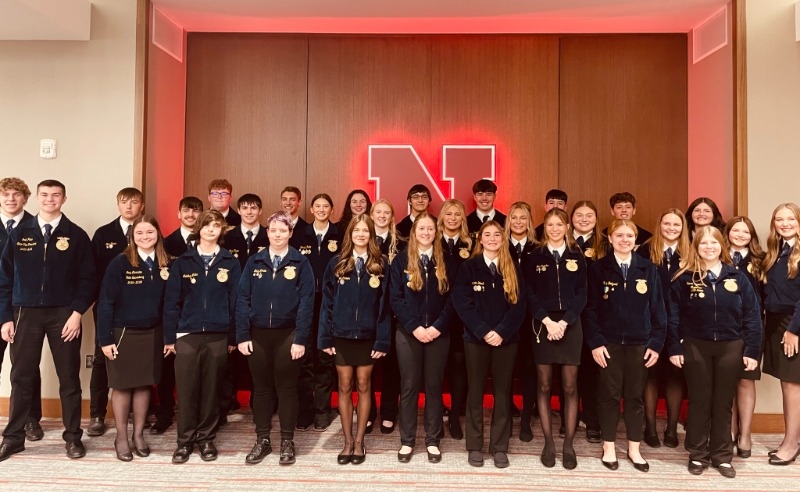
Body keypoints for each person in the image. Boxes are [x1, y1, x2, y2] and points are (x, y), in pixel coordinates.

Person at [0, 179, 96, 462]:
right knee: (21, 377)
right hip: (24, 313)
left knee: (69, 378)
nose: (49, 199)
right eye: (44, 195)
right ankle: (13, 438)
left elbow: (88, 279)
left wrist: (77, 314)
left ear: (64, 199)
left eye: (55, 195)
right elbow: (5, 279)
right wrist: (6, 318)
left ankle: (73, 437)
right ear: (37, 198)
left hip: (63, 315)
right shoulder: (20, 233)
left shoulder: (76, 235)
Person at [666, 226, 761, 478]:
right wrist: (674, 346)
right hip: (695, 345)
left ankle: (722, 456)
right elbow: (672, 316)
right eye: (704, 243)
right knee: (699, 400)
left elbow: (752, 316)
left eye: (714, 243)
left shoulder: (738, 277)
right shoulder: (684, 278)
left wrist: (752, 350)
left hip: (731, 347)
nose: (709, 247)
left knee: (723, 402)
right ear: (696, 247)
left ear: (722, 246)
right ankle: (697, 454)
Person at [585, 219, 666, 473]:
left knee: (635, 397)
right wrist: (596, 342)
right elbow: (590, 310)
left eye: (629, 236)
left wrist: (656, 343)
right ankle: (608, 446)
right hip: (608, 344)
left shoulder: (648, 268)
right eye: (619, 235)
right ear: (610, 239)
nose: (624, 240)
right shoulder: (598, 268)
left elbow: (658, 309)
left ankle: (634, 448)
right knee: (608, 396)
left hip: (639, 344)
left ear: (635, 240)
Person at [235, 211, 314, 466]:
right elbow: (242, 299)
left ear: (290, 233)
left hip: (288, 335)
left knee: (287, 388)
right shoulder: (254, 262)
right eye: (273, 231)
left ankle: (287, 441)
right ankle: (263, 440)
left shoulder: (300, 262)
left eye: (283, 231)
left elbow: (306, 303)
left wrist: (300, 338)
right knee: (261, 389)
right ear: (267, 233)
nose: (278, 235)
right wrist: (242, 334)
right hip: (257, 335)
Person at [163, 210, 242, 464]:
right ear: (199, 228)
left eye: (216, 225)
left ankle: (207, 438)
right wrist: (169, 337)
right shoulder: (183, 262)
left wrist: (233, 336)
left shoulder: (230, 262)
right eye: (207, 225)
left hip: (219, 334)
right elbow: (171, 303)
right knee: (186, 390)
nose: (211, 229)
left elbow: (236, 303)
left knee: (211, 390)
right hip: (187, 333)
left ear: (222, 230)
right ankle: (184, 441)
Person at [452, 220, 525, 469]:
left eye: (497, 235)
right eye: (488, 235)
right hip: (476, 339)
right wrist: (483, 331)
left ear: (503, 239)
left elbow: (520, 306)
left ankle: (499, 447)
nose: (492, 239)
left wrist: (501, 331)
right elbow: (462, 303)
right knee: (475, 392)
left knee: (503, 393)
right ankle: (475, 446)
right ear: (480, 239)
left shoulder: (512, 267)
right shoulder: (469, 267)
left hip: (506, 340)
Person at [318, 214, 390, 466]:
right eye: (356, 230)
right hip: (341, 335)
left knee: (364, 384)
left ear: (371, 235)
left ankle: (359, 442)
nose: (361, 234)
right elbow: (327, 303)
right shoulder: (337, 262)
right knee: (345, 385)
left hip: (369, 336)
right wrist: (325, 337)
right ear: (350, 234)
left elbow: (385, 306)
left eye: (365, 231)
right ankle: (347, 441)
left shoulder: (381, 264)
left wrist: (382, 339)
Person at [97, 215, 169, 461]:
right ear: (132, 236)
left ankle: (138, 434)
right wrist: (105, 339)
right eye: (139, 233)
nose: (145, 237)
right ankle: (121, 436)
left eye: (149, 232)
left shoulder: (166, 263)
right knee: (122, 385)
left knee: (144, 384)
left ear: (157, 234)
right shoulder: (119, 263)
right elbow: (105, 302)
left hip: (153, 333)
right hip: (123, 333)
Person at [524, 208, 587, 469]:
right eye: (549, 225)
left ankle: (568, 445)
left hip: (570, 324)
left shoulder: (577, 256)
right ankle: (549, 444)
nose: (554, 229)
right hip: (543, 325)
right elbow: (528, 292)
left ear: (567, 227)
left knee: (570, 386)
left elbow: (583, 293)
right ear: (544, 228)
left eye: (559, 224)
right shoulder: (534, 256)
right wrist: (548, 321)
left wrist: (564, 322)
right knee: (544, 385)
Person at [391, 213, 454, 463]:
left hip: (439, 333)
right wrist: (414, 327)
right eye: (422, 229)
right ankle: (407, 441)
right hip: (409, 334)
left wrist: (438, 326)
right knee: (408, 387)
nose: (426, 233)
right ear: (414, 232)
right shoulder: (401, 260)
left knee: (434, 387)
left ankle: (432, 440)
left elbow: (453, 299)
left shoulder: (446, 260)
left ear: (436, 232)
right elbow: (395, 298)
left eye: (430, 229)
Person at [88, 187, 145, 438]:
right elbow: (92, 272)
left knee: (135, 360)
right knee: (102, 359)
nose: (129, 206)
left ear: (142, 205)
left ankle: (135, 413)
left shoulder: (148, 231)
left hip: (139, 311)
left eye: (134, 202)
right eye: (124, 202)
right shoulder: (104, 234)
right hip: (107, 307)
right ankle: (97, 414)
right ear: (118, 204)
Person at [636, 208, 691, 449]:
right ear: (659, 225)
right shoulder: (645, 250)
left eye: (676, 224)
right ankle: (649, 426)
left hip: (681, 323)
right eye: (667, 223)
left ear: (683, 228)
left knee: (675, 374)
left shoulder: (691, 252)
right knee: (650, 373)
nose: (671, 228)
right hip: (650, 322)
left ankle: (671, 427)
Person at [154, 195, 203, 434]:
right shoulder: (165, 244)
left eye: (195, 211)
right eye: (186, 210)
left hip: (200, 314)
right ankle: (165, 412)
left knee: (200, 368)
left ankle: (201, 415)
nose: (190, 215)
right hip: (172, 313)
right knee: (167, 367)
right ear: (178, 214)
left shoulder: (209, 241)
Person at [0, 177, 44, 442]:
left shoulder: (36, 226)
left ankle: (30, 418)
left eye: (16, 194)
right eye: (5, 194)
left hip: (23, 308)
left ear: (26, 198)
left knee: (26, 366)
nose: (11, 199)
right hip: (0, 304)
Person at [293, 193, 340, 431]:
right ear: (311, 209)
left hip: (330, 303)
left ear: (332, 210)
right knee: (304, 357)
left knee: (325, 357)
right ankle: (304, 411)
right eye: (317, 206)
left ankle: (322, 410)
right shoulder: (299, 235)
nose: (321, 209)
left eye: (326, 206)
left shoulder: (340, 234)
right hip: (305, 303)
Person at [760, 203, 800, 465]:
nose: (785, 224)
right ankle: (793, 438)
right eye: (779, 219)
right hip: (774, 322)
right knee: (788, 383)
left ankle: (791, 444)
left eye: (791, 219)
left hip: (793, 322)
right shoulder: (775, 252)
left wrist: (794, 330)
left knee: (792, 385)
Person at [724, 216, 765, 458]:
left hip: (751, 328)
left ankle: (745, 434)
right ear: (727, 233)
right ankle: (729, 432)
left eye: (745, 232)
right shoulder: (717, 256)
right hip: (723, 329)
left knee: (746, 380)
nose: (740, 235)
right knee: (726, 381)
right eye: (736, 230)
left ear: (751, 236)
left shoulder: (761, 261)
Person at [368, 198, 403, 434]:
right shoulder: (362, 238)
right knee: (367, 366)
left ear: (392, 217)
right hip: (368, 312)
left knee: (392, 366)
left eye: (386, 213)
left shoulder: (401, 244)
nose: (382, 216)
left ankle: (389, 412)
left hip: (393, 312)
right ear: (371, 215)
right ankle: (369, 412)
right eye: (378, 212)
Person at [438, 199, 472, 440]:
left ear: (463, 219)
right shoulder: (433, 241)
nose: (452, 218)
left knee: (460, 366)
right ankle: (438, 412)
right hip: (438, 314)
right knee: (437, 367)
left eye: (457, 214)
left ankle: (455, 416)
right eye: (448, 214)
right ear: (442, 217)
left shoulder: (471, 244)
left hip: (462, 316)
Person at [569, 200, 602, 442]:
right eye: (579, 215)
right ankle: (568, 419)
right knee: (568, 370)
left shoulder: (604, 244)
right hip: (567, 316)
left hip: (594, 315)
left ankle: (592, 421)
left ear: (596, 219)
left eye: (588, 215)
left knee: (592, 372)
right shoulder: (561, 241)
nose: (583, 219)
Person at [505, 201, 537, 442]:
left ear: (529, 222)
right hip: (504, 319)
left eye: (523, 218)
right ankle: (506, 413)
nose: (518, 222)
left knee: (529, 369)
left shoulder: (538, 249)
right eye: (514, 218)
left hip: (530, 320)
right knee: (505, 369)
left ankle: (526, 418)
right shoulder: (499, 245)